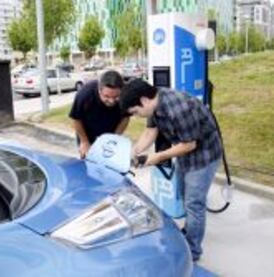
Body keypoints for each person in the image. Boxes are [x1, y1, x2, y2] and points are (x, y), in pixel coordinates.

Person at [119, 79, 222, 262]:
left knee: (194, 204)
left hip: (203, 156)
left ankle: (193, 250)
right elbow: (150, 132)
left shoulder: (179, 108)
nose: (136, 116)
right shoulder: (154, 103)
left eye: (135, 112)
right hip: (185, 153)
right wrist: (133, 152)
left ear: (143, 101)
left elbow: (189, 144)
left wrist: (158, 157)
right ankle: (190, 230)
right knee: (184, 196)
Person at [69, 70, 130, 158]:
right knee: (89, 162)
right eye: (107, 96)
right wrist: (84, 141)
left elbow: (125, 118)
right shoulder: (85, 94)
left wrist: (113, 138)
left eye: (116, 97)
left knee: (110, 162)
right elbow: (76, 118)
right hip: (88, 134)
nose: (111, 101)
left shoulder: (126, 96)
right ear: (99, 90)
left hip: (111, 132)